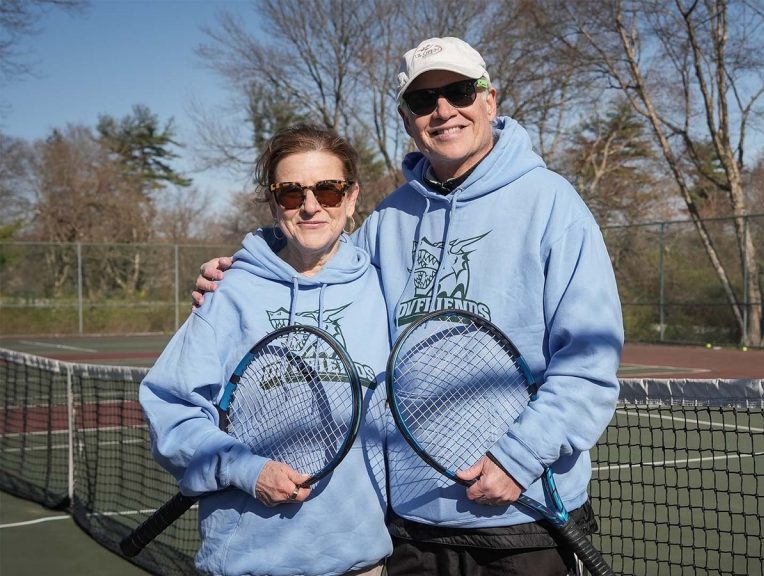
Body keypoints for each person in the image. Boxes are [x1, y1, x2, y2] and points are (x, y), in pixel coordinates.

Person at [194, 37, 624, 576]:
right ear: (406, 118)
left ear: (489, 100)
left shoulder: (553, 203)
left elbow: (590, 363)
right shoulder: (387, 221)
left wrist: (517, 461)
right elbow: (318, 259)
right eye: (424, 101)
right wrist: (248, 266)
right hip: (409, 526)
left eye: (459, 91)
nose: (443, 110)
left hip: (523, 516)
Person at [142, 124, 391, 576]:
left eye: (329, 190)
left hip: (360, 564)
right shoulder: (229, 291)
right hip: (248, 564)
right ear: (275, 203)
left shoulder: (383, 289)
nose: (311, 205)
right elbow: (170, 411)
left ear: (352, 198)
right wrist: (247, 471)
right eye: (292, 193)